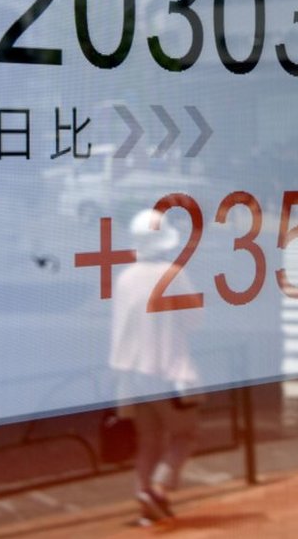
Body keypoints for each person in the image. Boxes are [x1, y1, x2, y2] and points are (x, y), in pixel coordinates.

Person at [110, 208, 204, 526]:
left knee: (148, 440)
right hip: (168, 372)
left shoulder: (124, 278)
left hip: (132, 375)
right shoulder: (173, 274)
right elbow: (193, 320)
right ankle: (159, 491)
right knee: (185, 434)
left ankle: (144, 499)